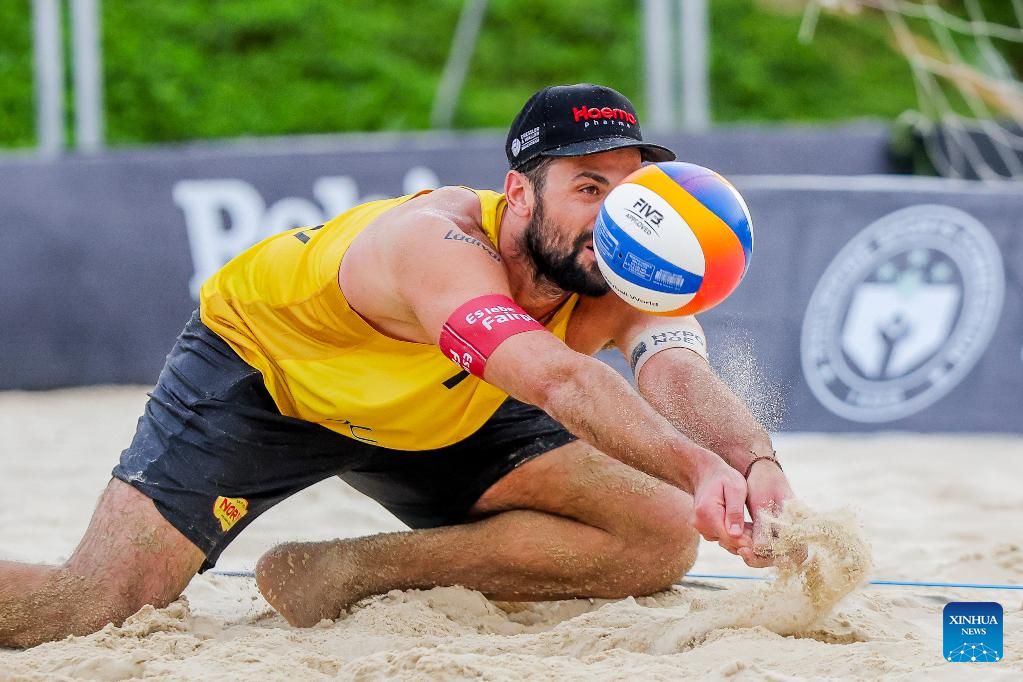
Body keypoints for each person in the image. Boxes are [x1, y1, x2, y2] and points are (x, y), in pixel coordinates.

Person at [0, 83, 798, 647]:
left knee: (656, 535)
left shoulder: (620, 266)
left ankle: (347, 571)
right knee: (88, 608)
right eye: (588, 188)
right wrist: (697, 468)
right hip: (271, 381)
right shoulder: (434, 241)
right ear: (519, 193)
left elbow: (675, 372)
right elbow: (558, 381)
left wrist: (751, 460)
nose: (615, 213)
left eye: (629, 190)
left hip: (446, 404)